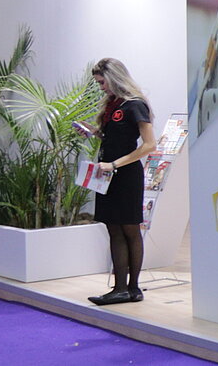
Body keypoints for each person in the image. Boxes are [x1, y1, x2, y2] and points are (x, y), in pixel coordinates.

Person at [86, 58, 158, 306]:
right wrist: (95, 133)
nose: (101, 87)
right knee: (114, 229)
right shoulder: (113, 105)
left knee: (129, 230)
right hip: (108, 175)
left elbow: (149, 145)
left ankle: (130, 287)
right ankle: (123, 289)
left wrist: (116, 164)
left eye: (102, 82)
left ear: (114, 78)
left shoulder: (134, 105)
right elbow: (118, 138)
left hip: (125, 175)